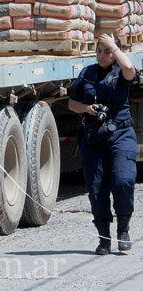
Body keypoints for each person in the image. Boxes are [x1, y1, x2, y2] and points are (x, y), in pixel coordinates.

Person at [68, 34, 137, 255]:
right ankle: (104, 237)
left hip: (121, 132)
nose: (102, 55)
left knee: (124, 180)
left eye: (106, 51)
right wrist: (86, 109)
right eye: (99, 50)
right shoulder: (86, 74)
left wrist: (114, 47)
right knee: (96, 189)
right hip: (94, 135)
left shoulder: (120, 72)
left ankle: (123, 229)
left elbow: (129, 67)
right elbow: (72, 103)